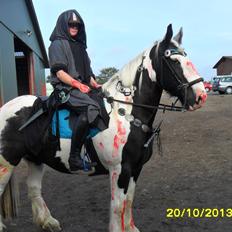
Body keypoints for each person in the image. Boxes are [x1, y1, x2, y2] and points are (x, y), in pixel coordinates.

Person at [48, 10, 106, 173]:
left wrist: (96, 85)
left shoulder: (81, 47)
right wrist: (77, 85)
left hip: (81, 88)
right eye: (71, 24)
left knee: (103, 102)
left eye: (77, 25)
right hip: (65, 89)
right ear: (63, 25)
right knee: (91, 108)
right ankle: (74, 158)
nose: (74, 27)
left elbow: (87, 74)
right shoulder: (57, 44)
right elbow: (59, 73)